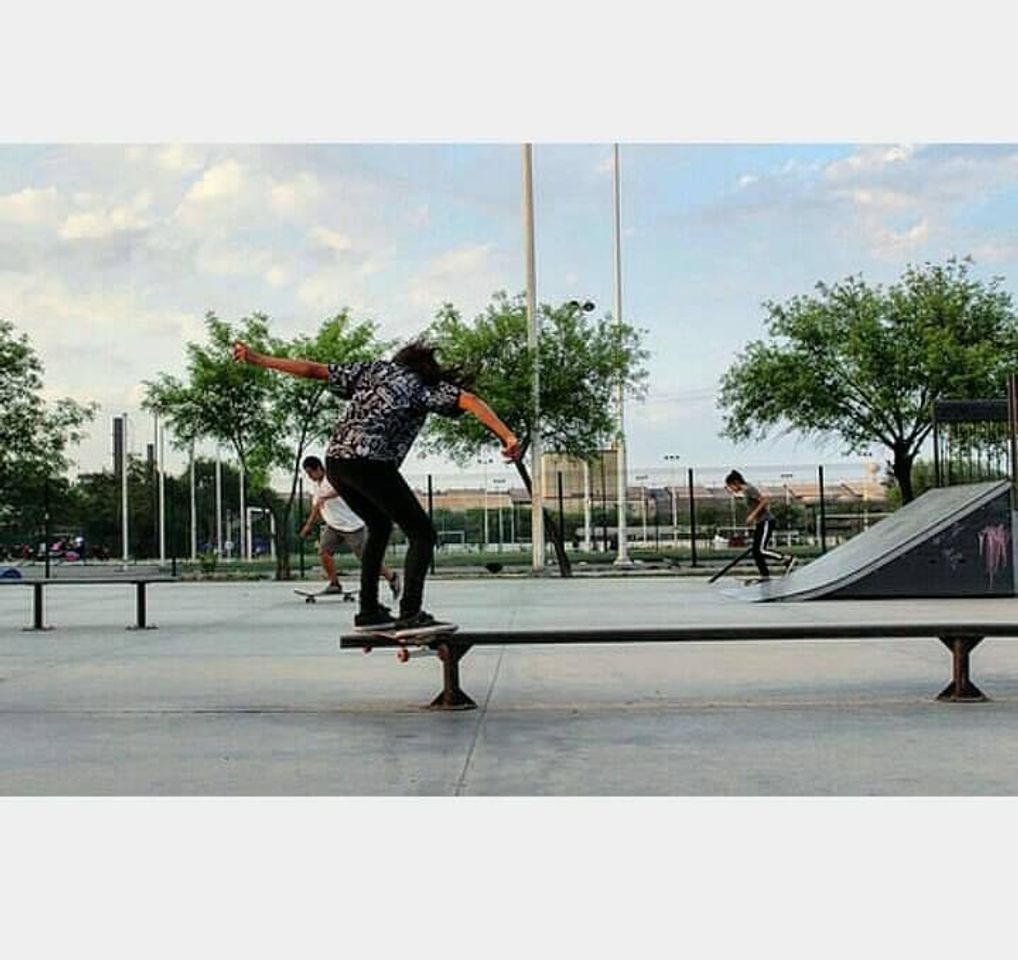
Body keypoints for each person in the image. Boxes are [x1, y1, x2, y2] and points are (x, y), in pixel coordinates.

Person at [233, 339, 520, 632]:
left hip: (336, 462)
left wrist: (258, 359)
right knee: (422, 533)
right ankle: (410, 613)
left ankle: (368, 611)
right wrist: (507, 437)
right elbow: (471, 401)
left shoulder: (374, 370)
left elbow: (312, 369)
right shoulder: (424, 385)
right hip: (370, 462)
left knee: (379, 525)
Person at [300, 454, 401, 602]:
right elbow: (317, 507)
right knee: (324, 552)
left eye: (311, 473)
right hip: (333, 525)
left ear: (319, 468)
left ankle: (392, 577)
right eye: (307, 474)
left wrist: (326, 496)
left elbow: (342, 489)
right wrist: (308, 525)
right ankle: (334, 583)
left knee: (367, 559)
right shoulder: (316, 485)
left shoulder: (333, 478)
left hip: (353, 526)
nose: (310, 477)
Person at [724, 470, 796, 581]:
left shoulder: (749, 489)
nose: (731, 490)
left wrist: (753, 515)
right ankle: (765, 575)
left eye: (731, 486)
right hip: (760, 523)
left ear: (736, 482)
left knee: (761, 550)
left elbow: (764, 501)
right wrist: (754, 520)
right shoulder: (745, 491)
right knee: (756, 552)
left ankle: (787, 558)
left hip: (767, 521)